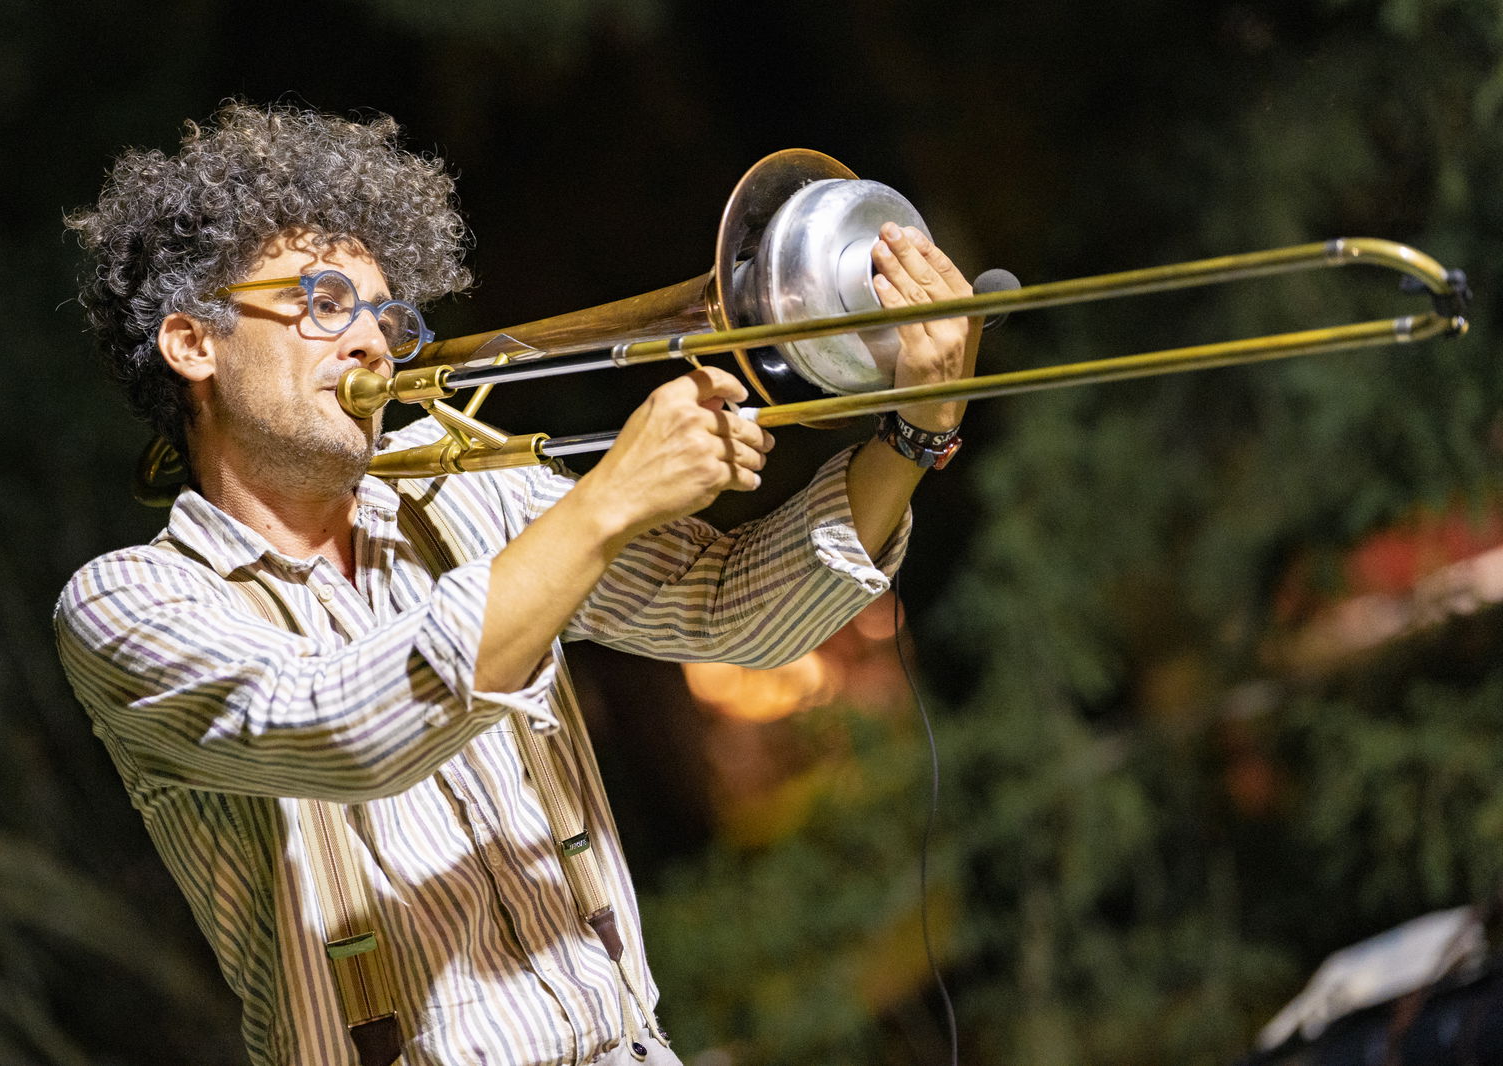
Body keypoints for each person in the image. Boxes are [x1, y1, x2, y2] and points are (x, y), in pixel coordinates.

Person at [55, 102, 979, 1066]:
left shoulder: (469, 497)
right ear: (194, 343)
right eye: (326, 303)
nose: (373, 344)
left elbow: (735, 609)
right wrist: (611, 497)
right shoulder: (127, 603)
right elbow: (344, 727)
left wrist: (913, 432)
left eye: (385, 318)